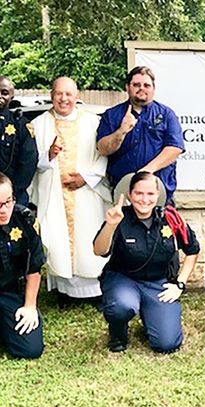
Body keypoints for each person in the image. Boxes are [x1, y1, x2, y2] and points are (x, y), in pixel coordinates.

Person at [93, 172, 199, 353]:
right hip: (123, 280)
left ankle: (150, 316)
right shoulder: (119, 217)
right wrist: (110, 225)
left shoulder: (171, 219)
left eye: (150, 194)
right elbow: (99, 250)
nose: (144, 199)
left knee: (167, 344)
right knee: (122, 306)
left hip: (158, 283)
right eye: (139, 193)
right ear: (130, 195)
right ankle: (118, 332)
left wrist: (179, 284)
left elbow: (192, 250)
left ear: (158, 195)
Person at [30, 77, 112, 302]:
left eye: (68, 94)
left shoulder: (94, 122)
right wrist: (49, 155)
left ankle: (96, 292)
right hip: (54, 193)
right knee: (57, 241)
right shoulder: (38, 124)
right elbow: (31, 162)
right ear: (51, 95)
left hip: (88, 192)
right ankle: (65, 292)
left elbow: (104, 155)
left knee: (89, 239)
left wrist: (86, 178)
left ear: (77, 96)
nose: (64, 99)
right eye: (59, 94)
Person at [96, 66, 184, 203]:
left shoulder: (167, 115)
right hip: (122, 194)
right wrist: (121, 131)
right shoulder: (111, 115)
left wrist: (145, 172)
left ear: (153, 89)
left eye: (146, 85)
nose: (141, 88)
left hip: (158, 196)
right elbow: (102, 149)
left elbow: (175, 149)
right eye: (136, 85)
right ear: (127, 87)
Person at [0, 173, 46, 359]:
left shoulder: (24, 220)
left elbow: (33, 268)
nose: (4, 210)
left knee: (30, 349)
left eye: (7, 202)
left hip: (10, 293)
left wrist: (29, 306)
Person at [0, 76, 38, 206]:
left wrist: (8, 194)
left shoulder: (21, 125)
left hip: (13, 198)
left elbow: (28, 163)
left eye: (4, 93)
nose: (0, 96)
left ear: (11, 96)